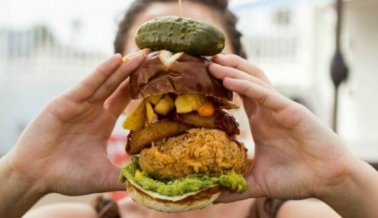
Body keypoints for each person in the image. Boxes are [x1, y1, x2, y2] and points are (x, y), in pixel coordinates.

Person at [1, 0, 377, 217]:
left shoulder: (292, 214)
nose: (179, 80)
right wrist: (23, 173)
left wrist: (341, 178)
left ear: (239, 82)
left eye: (201, 62)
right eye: (151, 62)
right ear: (121, 83)